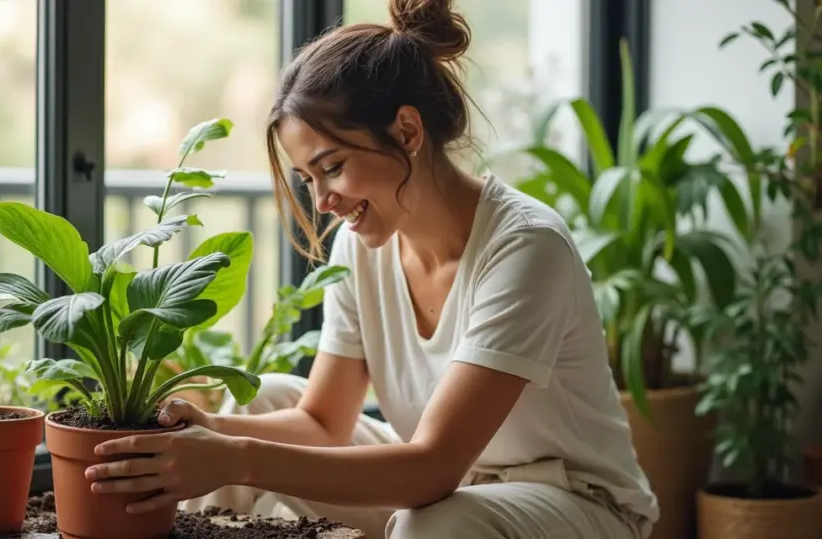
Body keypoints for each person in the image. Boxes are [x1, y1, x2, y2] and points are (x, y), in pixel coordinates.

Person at [83, 0, 659, 537]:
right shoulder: (363, 245)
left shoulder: (526, 248)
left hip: (576, 502)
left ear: (407, 132)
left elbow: (430, 469)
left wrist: (238, 456)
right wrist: (213, 436)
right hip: (452, 485)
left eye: (331, 166)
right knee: (266, 401)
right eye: (308, 178)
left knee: (429, 525)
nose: (321, 200)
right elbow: (324, 422)